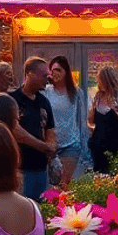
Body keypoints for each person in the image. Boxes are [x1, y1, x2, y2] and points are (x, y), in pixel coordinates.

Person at [9, 57, 55, 201]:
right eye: (44, 76)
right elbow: (15, 131)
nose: (47, 80)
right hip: (20, 169)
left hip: (41, 169)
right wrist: (44, 147)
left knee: (40, 210)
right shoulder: (12, 100)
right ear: (29, 74)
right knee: (22, 210)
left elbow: (50, 130)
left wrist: (51, 149)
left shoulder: (44, 102)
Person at [44, 56, 87, 185]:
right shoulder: (45, 91)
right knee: (51, 184)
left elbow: (82, 119)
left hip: (71, 143)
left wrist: (84, 146)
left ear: (66, 72)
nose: (55, 73)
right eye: (52, 70)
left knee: (65, 184)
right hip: (50, 144)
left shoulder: (76, 93)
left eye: (58, 70)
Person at [87, 66, 118, 173]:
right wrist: (92, 127)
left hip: (115, 144)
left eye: (100, 80)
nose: (98, 83)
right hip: (98, 144)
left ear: (107, 80)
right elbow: (90, 120)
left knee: (116, 174)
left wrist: (115, 108)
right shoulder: (98, 97)